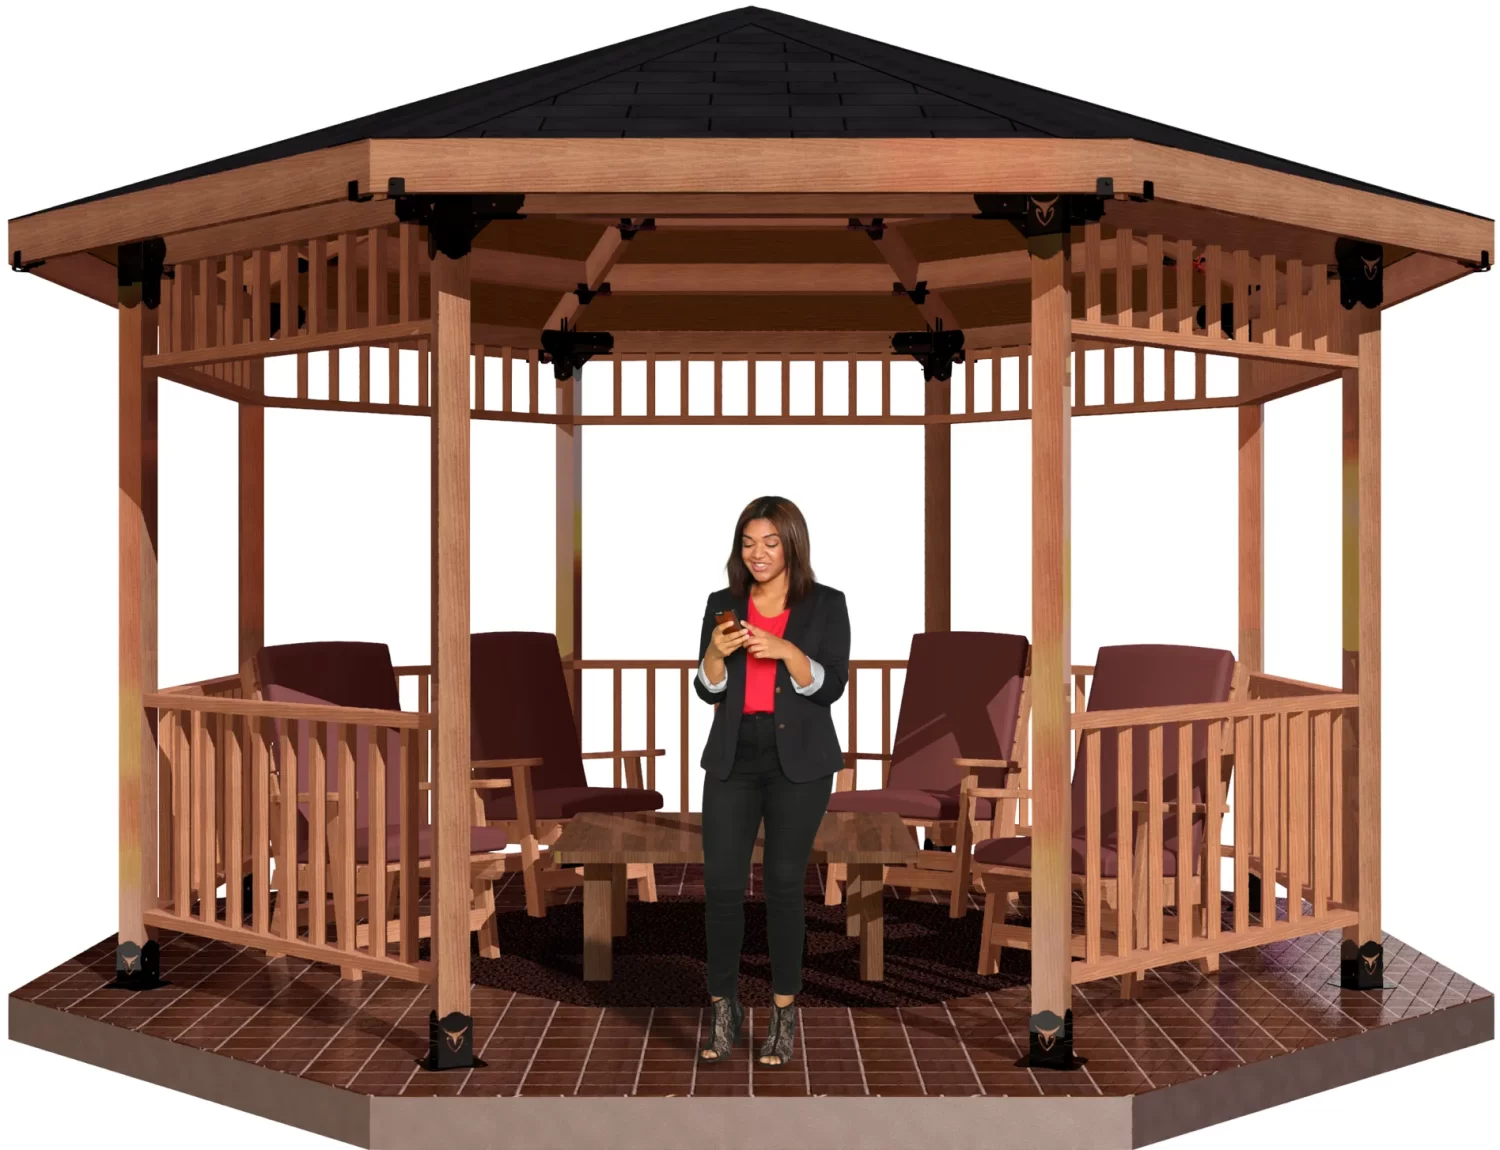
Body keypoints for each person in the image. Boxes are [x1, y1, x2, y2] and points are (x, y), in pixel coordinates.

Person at [693, 495, 850, 1067]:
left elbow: (831, 686)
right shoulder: (722, 603)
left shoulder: (825, 605)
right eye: (748, 542)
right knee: (722, 886)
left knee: (785, 885)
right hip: (734, 757)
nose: (757, 554)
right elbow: (708, 688)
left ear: (791, 545)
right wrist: (714, 652)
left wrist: (787, 651)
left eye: (770, 542)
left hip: (799, 763)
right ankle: (723, 1008)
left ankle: (784, 1013)